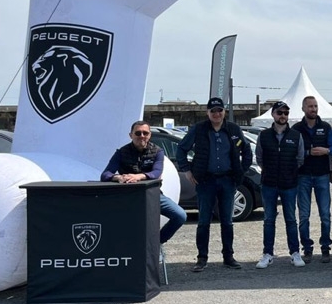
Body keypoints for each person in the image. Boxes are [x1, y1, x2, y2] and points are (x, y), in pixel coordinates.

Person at [176, 97, 252, 272]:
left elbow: (246, 150)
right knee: (204, 221)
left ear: (224, 112)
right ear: (207, 113)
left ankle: (228, 257)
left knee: (227, 221)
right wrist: (187, 170)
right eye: (213, 111)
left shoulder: (233, 129)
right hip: (205, 181)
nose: (216, 114)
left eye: (219, 110)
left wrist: (241, 170)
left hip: (227, 181)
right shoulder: (199, 129)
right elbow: (181, 149)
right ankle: (202, 258)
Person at [100, 120, 187, 260]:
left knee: (180, 215)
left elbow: (156, 173)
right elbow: (105, 175)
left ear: (150, 135)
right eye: (138, 133)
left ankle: (156, 243)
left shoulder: (157, 152)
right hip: (128, 198)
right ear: (131, 135)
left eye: (145, 133)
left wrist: (138, 177)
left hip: (152, 195)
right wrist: (119, 177)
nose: (142, 136)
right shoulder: (121, 152)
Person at [255, 101, 306, 269]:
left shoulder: (296, 136)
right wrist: (269, 171)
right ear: (273, 114)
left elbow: (300, 159)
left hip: (289, 184)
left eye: (285, 113)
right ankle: (267, 254)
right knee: (269, 219)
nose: (283, 115)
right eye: (279, 112)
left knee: (291, 219)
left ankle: (295, 253)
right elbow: (260, 158)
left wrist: (288, 172)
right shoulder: (264, 136)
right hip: (269, 183)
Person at [292, 95, 332, 263]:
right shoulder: (296, 128)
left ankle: (325, 247)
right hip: (303, 175)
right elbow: (293, 151)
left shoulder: (325, 127)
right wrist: (308, 153)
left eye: (315, 106)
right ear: (303, 108)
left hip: (322, 175)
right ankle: (307, 248)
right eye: (310, 106)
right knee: (304, 215)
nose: (313, 109)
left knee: (325, 214)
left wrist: (326, 151)